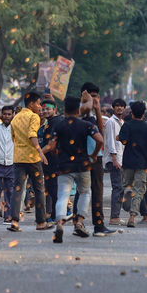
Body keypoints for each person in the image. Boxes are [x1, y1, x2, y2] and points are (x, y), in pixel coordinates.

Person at [48, 96, 103, 242]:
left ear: (64, 109)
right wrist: (94, 155)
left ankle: (59, 223)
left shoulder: (59, 126)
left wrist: (57, 155)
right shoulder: (86, 125)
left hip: (64, 166)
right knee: (85, 192)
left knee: (63, 195)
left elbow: (52, 146)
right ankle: (79, 222)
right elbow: (100, 140)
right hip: (82, 165)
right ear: (78, 110)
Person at [8, 92, 53, 233]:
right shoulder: (33, 117)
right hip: (32, 159)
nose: (40, 107)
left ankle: (14, 221)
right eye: (38, 104)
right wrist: (40, 151)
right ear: (31, 104)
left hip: (18, 158)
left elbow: (13, 138)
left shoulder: (16, 117)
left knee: (17, 189)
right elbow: (32, 135)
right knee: (39, 189)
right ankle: (41, 222)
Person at [78, 82, 115, 236]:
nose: (93, 100)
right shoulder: (80, 113)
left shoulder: (93, 114)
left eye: (96, 97)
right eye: (91, 96)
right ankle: (81, 223)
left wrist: (98, 109)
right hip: (84, 157)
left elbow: (101, 130)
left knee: (97, 191)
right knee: (83, 191)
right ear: (83, 96)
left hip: (96, 158)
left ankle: (98, 225)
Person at [118, 101, 147, 228]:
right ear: (144, 113)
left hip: (128, 161)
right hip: (143, 162)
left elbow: (123, 141)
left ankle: (128, 193)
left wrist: (120, 138)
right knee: (139, 191)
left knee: (127, 186)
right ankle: (132, 217)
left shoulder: (127, 125)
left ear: (132, 112)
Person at [104, 98, 127, 225]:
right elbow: (110, 142)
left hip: (121, 159)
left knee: (120, 188)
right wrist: (114, 159)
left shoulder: (122, 122)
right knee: (117, 188)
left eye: (121, 106)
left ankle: (116, 216)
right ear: (113, 108)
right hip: (114, 159)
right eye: (117, 106)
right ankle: (114, 217)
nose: (119, 108)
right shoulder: (111, 122)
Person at [39, 100, 60, 223]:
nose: (45, 111)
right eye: (43, 109)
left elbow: (51, 145)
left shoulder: (56, 122)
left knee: (54, 189)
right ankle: (53, 214)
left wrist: (38, 154)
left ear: (54, 109)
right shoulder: (49, 122)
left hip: (55, 161)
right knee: (51, 189)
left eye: (48, 109)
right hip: (48, 161)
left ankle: (57, 215)